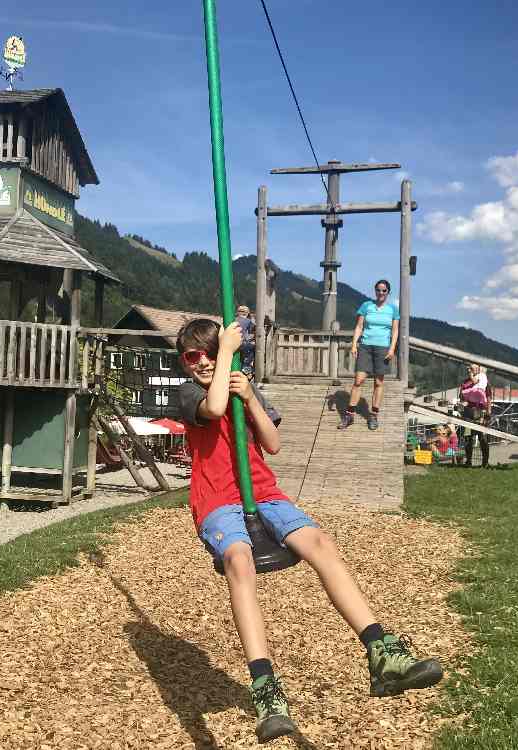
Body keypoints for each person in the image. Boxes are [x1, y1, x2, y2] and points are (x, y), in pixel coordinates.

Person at [176, 318, 443, 743]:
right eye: (195, 355)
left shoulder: (242, 385)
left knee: (321, 542)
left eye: (211, 350)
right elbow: (211, 408)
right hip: (217, 501)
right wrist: (226, 352)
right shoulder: (187, 391)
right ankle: (266, 689)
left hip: (262, 491)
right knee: (238, 561)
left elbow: (273, 443)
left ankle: (380, 650)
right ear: (185, 363)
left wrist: (250, 397)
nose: (204, 361)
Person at [341, 280, 399, 431]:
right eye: (378, 290)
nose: (381, 293)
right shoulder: (367, 306)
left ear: (388, 292)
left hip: (383, 348)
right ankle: (349, 415)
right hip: (366, 346)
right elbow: (359, 326)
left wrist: (392, 349)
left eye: (384, 290)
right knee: (358, 380)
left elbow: (394, 331)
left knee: (378, 383)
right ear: (375, 291)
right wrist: (354, 344)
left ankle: (373, 415)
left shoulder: (393, 309)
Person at [458, 364, 491, 467]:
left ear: (478, 369)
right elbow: (461, 396)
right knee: (468, 438)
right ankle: (468, 461)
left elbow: (488, 397)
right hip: (468, 412)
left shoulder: (483, 381)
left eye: (473, 368)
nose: (470, 370)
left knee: (483, 438)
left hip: (480, 412)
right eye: (469, 368)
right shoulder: (465, 382)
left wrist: (488, 412)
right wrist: (462, 405)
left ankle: (485, 462)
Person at [236, 304, 256, 377]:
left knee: (241, 357)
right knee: (254, 348)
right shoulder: (248, 321)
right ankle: (248, 370)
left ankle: (241, 369)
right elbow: (253, 331)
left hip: (234, 343)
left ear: (238, 312)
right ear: (247, 313)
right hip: (243, 343)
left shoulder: (234, 320)